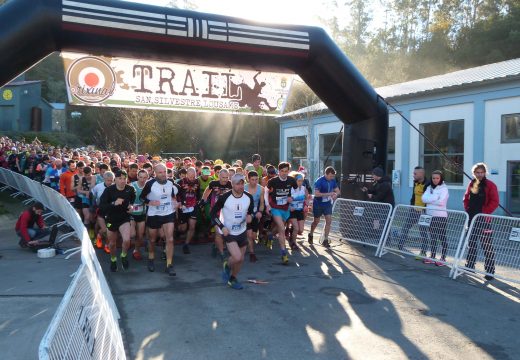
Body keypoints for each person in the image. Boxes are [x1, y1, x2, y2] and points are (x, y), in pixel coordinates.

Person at [211, 173, 254, 290]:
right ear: (232, 184)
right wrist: (221, 226)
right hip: (228, 231)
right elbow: (213, 214)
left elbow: (251, 211)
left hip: (242, 231)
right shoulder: (225, 197)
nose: (240, 186)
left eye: (242, 183)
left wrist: (251, 215)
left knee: (240, 259)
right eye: (237, 184)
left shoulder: (248, 197)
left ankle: (232, 278)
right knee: (238, 257)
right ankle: (227, 264)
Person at [140, 163, 180, 276]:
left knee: (170, 239)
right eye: (160, 172)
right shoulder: (150, 184)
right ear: (155, 173)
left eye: (164, 172)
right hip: (154, 214)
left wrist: (176, 202)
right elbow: (141, 197)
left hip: (168, 213)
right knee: (152, 240)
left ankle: (169, 265)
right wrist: (150, 202)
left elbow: (172, 195)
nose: (163, 174)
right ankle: (151, 258)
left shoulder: (171, 182)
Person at [463, 162, 499, 281]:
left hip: (483, 219)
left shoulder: (490, 185)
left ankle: (490, 270)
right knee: (471, 243)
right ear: (474, 173)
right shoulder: (471, 183)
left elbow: (495, 201)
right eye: (477, 172)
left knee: (487, 245)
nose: (479, 174)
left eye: (481, 172)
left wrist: (484, 211)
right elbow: (466, 197)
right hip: (471, 217)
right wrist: (467, 208)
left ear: (485, 173)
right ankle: (470, 265)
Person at [99, 170, 136, 272]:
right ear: (115, 179)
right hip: (111, 218)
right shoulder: (109, 190)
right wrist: (113, 203)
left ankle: (123, 255)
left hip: (124, 217)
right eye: (120, 179)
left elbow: (132, 201)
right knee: (112, 243)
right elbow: (101, 206)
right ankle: (113, 259)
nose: (123, 181)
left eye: (124, 179)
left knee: (127, 240)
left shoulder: (130, 189)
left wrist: (131, 207)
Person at [265, 162, 297, 264]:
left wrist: (292, 198)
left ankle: (270, 235)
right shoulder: (273, 181)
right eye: (282, 171)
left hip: (286, 208)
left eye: (286, 171)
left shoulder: (291, 180)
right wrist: (267, 205)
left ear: (289, 171)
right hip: (275, 207)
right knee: (282, 228)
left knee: (280, 227)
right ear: (278, 171)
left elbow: (297, 190)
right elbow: (265, 191)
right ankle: (284, 253)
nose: (284, 173)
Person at [200, 168, 232, 261]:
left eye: (227, 177)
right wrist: (203, 200)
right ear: (219, 176)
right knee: (218, 232)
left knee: (225, 233)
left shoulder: (231, 184)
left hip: (227, 212)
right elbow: (207, 190)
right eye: (223, 177)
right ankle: (222, 254)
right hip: (215, 212)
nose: (225, 179)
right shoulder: (213, 183)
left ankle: (215, 245)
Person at [398, 166, 430, 255]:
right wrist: (411, 206)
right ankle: (400, 247)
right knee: (405, 227)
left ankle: (423, 252)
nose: (413, 175)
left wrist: (426, 211)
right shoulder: (415, 182)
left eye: (415, 173)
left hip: (424, 212)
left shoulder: (428, 184)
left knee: (423, 232)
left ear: (421, 174)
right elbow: (414, 196)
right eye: (413, 173)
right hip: (414, 210)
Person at [421, 170, 449, 266]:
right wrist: (435, 197)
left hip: (440, 216)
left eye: (437, 178)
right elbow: (423, 198)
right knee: (432, 237)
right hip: (430, 215)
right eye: (433, 178)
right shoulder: (429, 187)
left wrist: (430, 199)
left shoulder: (444, 189)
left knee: (442, 237)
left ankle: (443, 258)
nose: (435, 180)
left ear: (441, 178)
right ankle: (432, 256)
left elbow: (441, 202)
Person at [308, 166, 340, 248]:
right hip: (318, 203)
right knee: (316, 221)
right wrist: (329, 194)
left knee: (329, 221)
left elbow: (338, 191)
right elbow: (316, 194)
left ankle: (325, 240)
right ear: (326, 174)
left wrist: (335, 194)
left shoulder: (333, 180)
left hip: (327, 204)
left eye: (333, 176)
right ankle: (311, 233)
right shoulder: (319, 181)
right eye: (330, 176)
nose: (332, 178)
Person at [177, 167, 200, 254]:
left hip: (193, 206)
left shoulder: (197, 181)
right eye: (190, 177)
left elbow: (197, 192)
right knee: (182, 228)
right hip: (183, 207)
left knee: (192, 226)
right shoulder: (181, 182)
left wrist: (198, 200)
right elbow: (176, 193)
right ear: (187, 175)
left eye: (193, 177)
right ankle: (178, 232)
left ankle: (186, 244)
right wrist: (179, 202)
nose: (192, 179)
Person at [244, 170, 264, 262]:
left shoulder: (261, 189)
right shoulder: (243, 188)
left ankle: (247, 243)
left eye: (256, 179)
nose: (255, 182)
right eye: (253, 179)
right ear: (248, 179)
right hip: (246, 213)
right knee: (249, 234)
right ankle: (252, 253)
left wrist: (260, 211)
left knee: (253, 236)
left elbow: (262, 203)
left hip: (255, 213)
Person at [130, 169, 149, 260]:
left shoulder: (148, 186)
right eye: (140, 177)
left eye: (145, 177)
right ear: (137, 177)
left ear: (147, 178)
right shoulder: (132, 186)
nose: (142, 179)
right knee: (133, 234)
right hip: (132, 213)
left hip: (142, 213)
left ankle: (136, 250)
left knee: (140, 235)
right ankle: (127, 243)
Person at [288, 171, 309, 251]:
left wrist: (306, 206)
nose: (300, 182)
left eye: (301, 181)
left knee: (300, 230)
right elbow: (287, 200)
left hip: (300, 211)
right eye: (299, 181)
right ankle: (293, 243)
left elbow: (306, 199)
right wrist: (290, 207)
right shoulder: (291, 189)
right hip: (292, 211)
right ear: (295, 181)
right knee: (296, 228)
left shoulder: (304, 189)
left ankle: (291, 232)